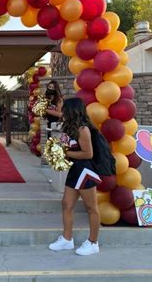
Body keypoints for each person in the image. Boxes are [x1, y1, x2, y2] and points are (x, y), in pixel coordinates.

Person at [48, 97, 102, 256]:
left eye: (64, 109)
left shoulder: (82, 129)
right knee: (66, 204)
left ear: (72, 111)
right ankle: (67, 239)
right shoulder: (69, 128)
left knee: (91, 208)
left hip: (85, 171)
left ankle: (93, 242)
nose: (62, 111)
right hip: (74, 170)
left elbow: (88, 154)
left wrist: (65, 153)